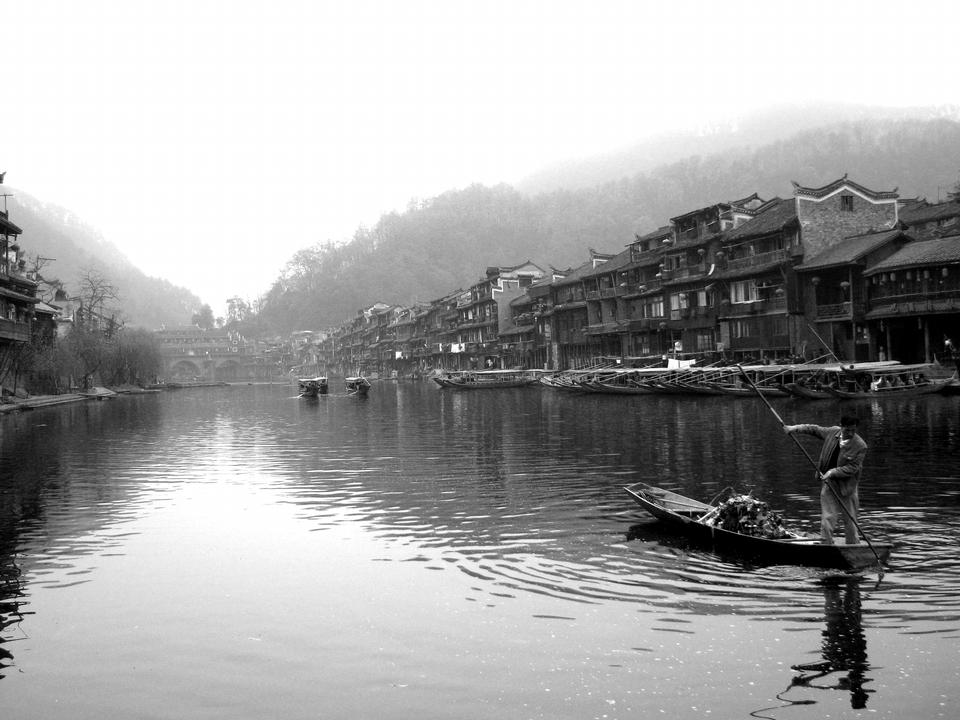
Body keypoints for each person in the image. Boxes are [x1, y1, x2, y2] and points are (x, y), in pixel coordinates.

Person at [783, 415, 867, 545]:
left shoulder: (860, 446)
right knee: (828, 517)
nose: (850, 433)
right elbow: (813, 429)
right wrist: (794, 428)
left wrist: (832, 472)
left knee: (850, 520)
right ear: (841, 426)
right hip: (830, 484)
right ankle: (826, 544)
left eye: (853, 430)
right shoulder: (832, 432)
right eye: (847, 430)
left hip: (848, 487)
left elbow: (852, 468)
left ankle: (853, 546)